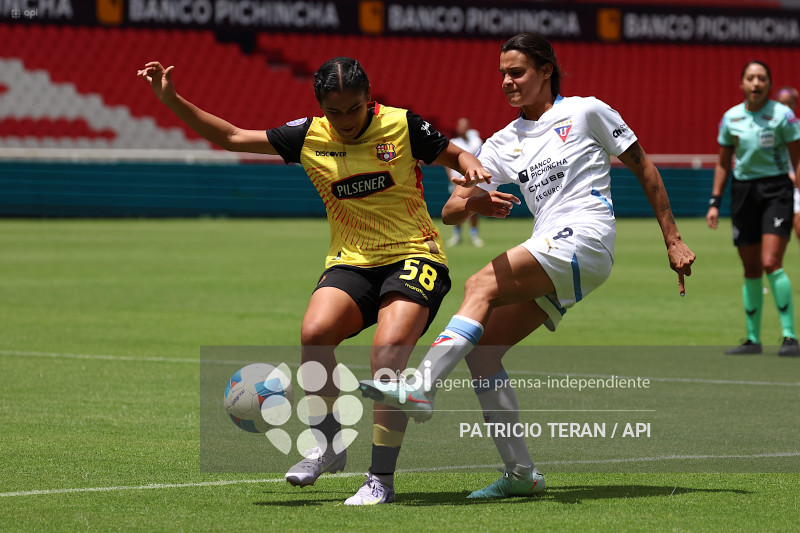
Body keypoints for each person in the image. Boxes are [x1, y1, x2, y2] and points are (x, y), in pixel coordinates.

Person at [137, 56, 491, 505]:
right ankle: (327, 446)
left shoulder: (402, 125)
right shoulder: (308, 135)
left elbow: (455, 154)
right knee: (314, 333)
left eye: (354, 108)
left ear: (369, 98)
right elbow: (231, 137)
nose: (345, 119)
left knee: (387, 357)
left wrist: (470, 164)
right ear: (320, 106)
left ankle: (380, 479)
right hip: (352, 260)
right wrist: (172, 100)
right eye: (334, 111)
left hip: (414, 254)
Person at [359, 32, 696, 498]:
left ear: (545, 71)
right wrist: (477, 201)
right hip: (554, 247)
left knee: (480, 284)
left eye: (516, 72)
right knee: (483, 352)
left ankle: (422, 386)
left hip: (587, 235)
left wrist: (673, 239)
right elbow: (451, 209)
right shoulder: (502, 141)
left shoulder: (587, 111)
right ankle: (521, 474)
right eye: (502, 74)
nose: (507, 82)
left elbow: (643, 166)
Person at [707, 63, 800, 357]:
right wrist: (714, 201)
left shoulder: (783, 116)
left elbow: (797, 159)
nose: (756, 83)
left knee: (771, 261)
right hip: (743, 193)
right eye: (750, 78)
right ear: (742, 84)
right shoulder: (730, 118)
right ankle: (752, 340)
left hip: (777, 191)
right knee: (750, 268)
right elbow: (723, 163)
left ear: (769, 83)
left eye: (762, 78)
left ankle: (790, 337)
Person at [446, 118, 485, 247]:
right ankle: (457, 235)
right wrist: (451, 177)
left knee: (473, 208)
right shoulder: (453, 142)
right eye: (460, 126)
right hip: (457, 181)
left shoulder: (476, 141)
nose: (462, 129)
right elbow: (448, 163)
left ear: (469, 127)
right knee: (456, 208)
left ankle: (474, 235)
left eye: (464, 126)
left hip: (473, 181)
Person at [775, 86, 800, 252]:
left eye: (790, 103)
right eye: (782, 103)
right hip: (776, 185)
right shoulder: (770, 128)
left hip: (797, 186)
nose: (786, 107)